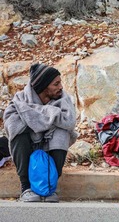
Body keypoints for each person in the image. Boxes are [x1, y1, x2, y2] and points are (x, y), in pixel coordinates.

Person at [3, 63, 78, 202]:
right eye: (56, 84)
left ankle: (50, 187)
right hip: (29, 144)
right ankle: (25, 188)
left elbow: (69, 122)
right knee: (18, 132)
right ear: (44, 86)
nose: (61, 87)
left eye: (60, 82)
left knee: (62, 133)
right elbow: (10, 123)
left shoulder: (63, 99)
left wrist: (33, 115)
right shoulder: (20, 99)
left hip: (49, 142)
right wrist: (49, 116)